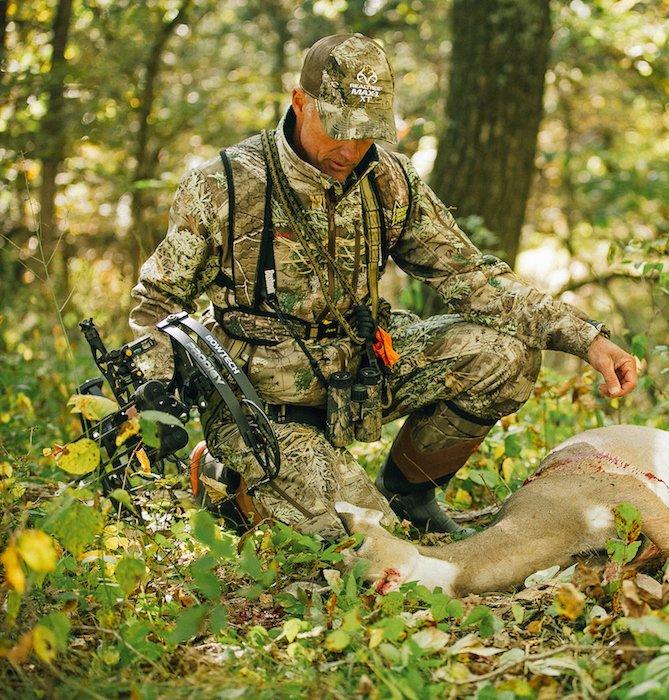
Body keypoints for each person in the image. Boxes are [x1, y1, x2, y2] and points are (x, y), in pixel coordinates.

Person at [129, 33, 638, 538]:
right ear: (299, 102)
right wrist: (151, 394)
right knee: (369, 537)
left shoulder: (389, 180)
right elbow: (158, 301)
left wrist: (585, 337)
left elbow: (472, 277)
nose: (350, 148)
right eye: (337, 128)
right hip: (265, 402)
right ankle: (224, 477)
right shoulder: (225, 183)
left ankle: (410, 495)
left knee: (503, 354)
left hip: (360, 372)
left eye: (366, 131)